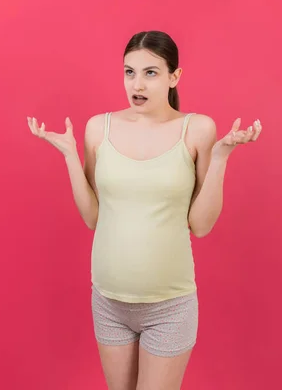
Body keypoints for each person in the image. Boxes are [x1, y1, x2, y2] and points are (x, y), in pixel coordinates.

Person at [27, 30, 262, 390]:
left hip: (169, 306)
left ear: (174, 77)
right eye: (129, 72)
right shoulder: (98, 128)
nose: (137, 83)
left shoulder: (196, 129)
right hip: (108, 302)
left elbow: (200, 225)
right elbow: (93, 217)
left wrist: (221, 157)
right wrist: (70, 157)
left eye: (151, 72)